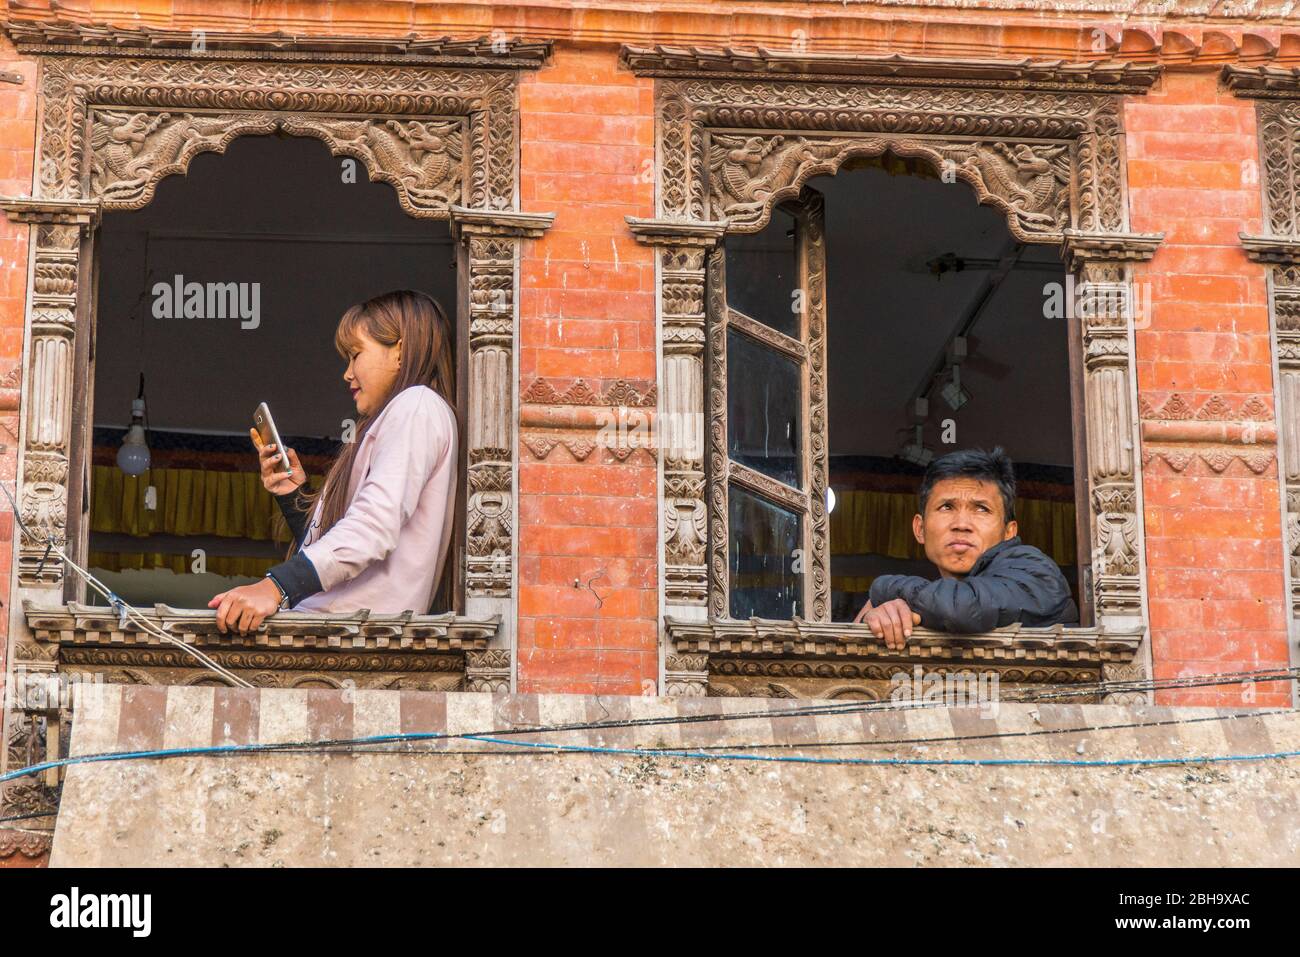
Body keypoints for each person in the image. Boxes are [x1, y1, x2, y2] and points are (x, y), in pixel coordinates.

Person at [208, 289, 459, 634]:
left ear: (400, 350)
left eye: (356, 355)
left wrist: (275, 587)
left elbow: (372, 528)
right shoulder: (405, 415)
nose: (348, 373)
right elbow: (342, 556)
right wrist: (295, 497)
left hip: (347, 634)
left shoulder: (417, 405)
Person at [853, 446, 1078, 648]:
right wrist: (884, 617)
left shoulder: (1035, 569)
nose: (961, 524)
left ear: (1009, 532)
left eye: (981, 509)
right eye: (947, 506)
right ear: (920, 529)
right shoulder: (933, 604)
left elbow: (961, 608)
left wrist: (883, 589)